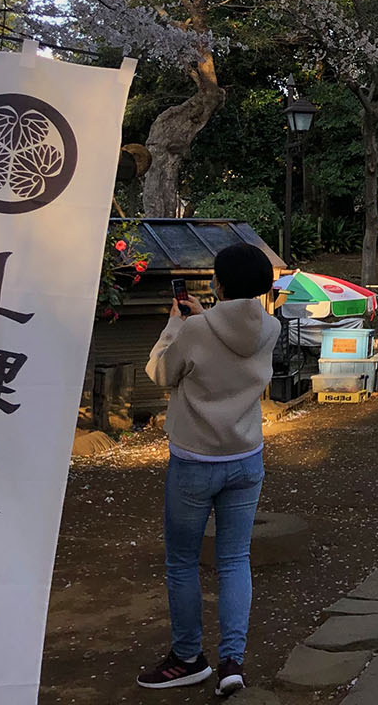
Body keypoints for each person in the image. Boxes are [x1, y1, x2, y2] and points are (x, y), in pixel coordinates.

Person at [138, 242, 281, 696]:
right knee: (235, 559)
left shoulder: (195, 329)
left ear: (218, 283)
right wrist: (201, 318)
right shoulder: (272, 327)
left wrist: (174, 325)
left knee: (182, 563)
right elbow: (232, 333)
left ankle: (187, 657)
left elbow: (161, 373)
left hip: (195, 462)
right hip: (246, 459)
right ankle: (232, 662)